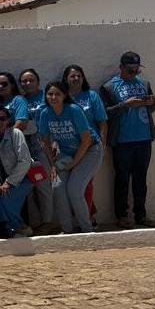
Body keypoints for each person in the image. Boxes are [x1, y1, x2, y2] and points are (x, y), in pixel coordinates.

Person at [100, 51, 155, 228]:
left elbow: (152, 108)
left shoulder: (144, 83)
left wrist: (151, 102)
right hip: (122, 140)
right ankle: (122, 216)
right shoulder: (109, 87)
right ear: (121, 68)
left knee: (141, 179)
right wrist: (125, 105)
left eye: (136, 70)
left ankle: (141, 215)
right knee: (122, 179)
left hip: (144, 138)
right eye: (130, 70)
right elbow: (104, 113)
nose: (134, 73)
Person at [40, 80, 103, 234]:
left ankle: (87, 230)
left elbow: (86, 140)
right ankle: (67, 230)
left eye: (57, 94)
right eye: (50, 94)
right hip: (66, 154)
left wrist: (74, 163)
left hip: (90, 151)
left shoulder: (74, 110)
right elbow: (45, 142)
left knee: (74, 189)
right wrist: (53, 165)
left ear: (64, 96)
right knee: (57, 187)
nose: (53, 97)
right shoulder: (45, 113)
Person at [63, 64, 108, 227]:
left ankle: (88, 217)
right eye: (72, 76)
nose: (76, 78)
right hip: (68, 149)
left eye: (79, 76)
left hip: (90, 148)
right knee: (69, 186)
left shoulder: (91, 96)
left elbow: (102, 123)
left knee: (85, 184)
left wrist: (103, 146)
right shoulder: (62, 97)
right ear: (66, 79)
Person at [0, 104, 35, 237]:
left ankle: (20, 227)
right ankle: (9, 230)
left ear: (8, 120)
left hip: (23, 177)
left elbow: (25, 161)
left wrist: (8, 182)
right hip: (3, 181)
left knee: (6, 200)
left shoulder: (16, 133)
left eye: (2, 118)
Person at [19, 69, 56, 234]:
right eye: (24, 81)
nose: (28, 83)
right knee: (31, 187)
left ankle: (48, 222)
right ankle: (36, 222)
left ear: (38, 81)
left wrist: (55, 141)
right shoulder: (20, 101)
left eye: (31, 80)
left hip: (43, 143)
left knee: (43, 185)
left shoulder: (46, 97)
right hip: (25, 145)